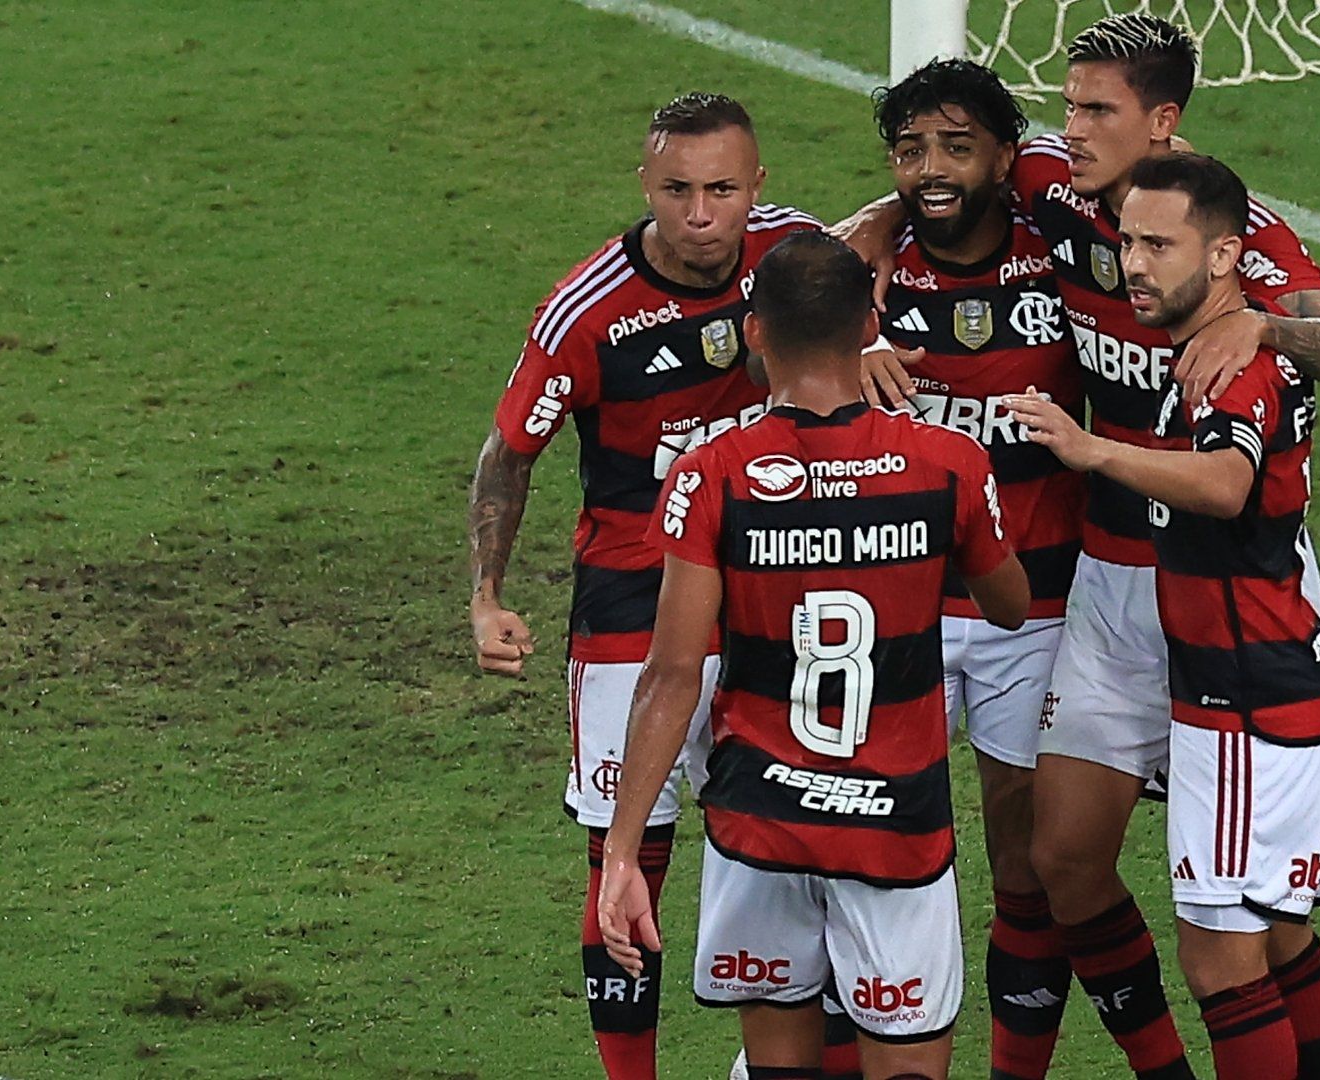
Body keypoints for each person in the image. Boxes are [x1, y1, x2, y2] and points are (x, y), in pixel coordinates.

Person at [834, 16, 1320, 1078]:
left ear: (1161, 123)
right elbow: (937, 179)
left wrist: (1263, 326)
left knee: (1255, 926)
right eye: (1069, 106)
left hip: (1233, 607)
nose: (1069, 129)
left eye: (1096, 111)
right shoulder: (1054, 186)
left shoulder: (1235, 230)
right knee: (1063, 863)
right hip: (1107, 592)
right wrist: (866, 250)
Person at [595, 231, 1031, 1080]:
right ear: (870, 321)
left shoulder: (710, 475)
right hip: (896, 829)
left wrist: (621, 854)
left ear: (754, 332)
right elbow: (1009, 607)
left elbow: (672, 671)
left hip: (761, 819)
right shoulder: (946, 463)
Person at [465, 93, 819, 1079]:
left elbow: (869, 248)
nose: (701, 214)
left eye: (721, 189)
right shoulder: (589, 310)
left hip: (767, 590)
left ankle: (785, 1060)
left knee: (794, 836)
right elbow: (510, 451)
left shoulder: (793, 254)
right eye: (677, 190)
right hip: (633, 597)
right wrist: (487, 595)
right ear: (644, 187)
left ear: (758, 185)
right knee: (627, 854)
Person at [1007, 152, 1320, 1080]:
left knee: (1223, 958)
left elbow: (1226, 483)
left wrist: (1094, 451)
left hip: (1244, 699)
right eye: (1128, 242)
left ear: (1229, 255)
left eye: (1160, 245)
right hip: (1260, 684)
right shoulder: (1219, 347)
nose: (1135, 265)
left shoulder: (1233, 366)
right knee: (1273, 941)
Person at [871, 58, 1086, 1080]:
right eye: (911, 150)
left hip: (1032, 610)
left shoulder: (1069, 254)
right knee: (866, 852)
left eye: (958, 146)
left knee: (1027, 868)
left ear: (1006, 156)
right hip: (897, 605)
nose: (932, 170)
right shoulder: (862, 274)